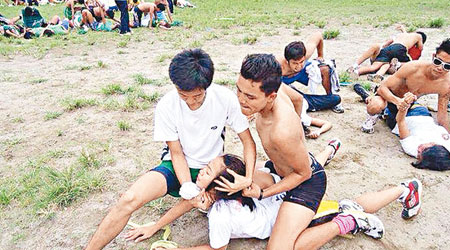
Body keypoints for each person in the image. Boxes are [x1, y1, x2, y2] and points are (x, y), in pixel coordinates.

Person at [85, 49, 256, 249]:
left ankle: (160, 222)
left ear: (207, 86)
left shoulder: (224, 99)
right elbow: (176, 153)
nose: (191, 102)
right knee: (128, 200)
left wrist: (248, 178)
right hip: (177, 164)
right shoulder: (167, 105)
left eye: (197, 96)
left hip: (211, 171)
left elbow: (248, 142)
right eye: (184, 95)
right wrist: (187, 186)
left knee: (217, 195)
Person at [126, 154, 422, 250]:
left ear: (219, 188)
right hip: (288, 198)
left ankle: (348, 223)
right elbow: (186, 203)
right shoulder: (243, 183)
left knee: (287, 247)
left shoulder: (220, 214)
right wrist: (156, 225)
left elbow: (218, 248)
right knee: (344, 202)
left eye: (205, 171)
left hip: (288, 212)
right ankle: (403, 188)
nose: (200, 170)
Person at [216, 53, 331, 250]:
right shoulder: (277, 87)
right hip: (279, 168)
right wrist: (299, 132)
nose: (241, 100)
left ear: (271, 97)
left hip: (306, 182)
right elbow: (298, 99)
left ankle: (348, 219)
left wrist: (263, 194)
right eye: (239, 91)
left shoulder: (281, 132)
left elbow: (304, 174)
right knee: (223, 176)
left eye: (250, 97)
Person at [359, 38, 450, 134]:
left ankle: (384, 112)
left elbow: (442, 115)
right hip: (387, 96)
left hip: (407, 105)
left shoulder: (446, 84)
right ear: (433, 57)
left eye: (447, 66)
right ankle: (373, 115)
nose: (440, 68)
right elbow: (382, 87)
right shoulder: (413, 67)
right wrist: (397, 101)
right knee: (375, 106)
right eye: (437, 62)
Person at [277, 32, 343, 113]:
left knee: (325, 68)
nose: (298, 66)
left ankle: (330, 96)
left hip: (302, 74)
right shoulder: (278, 66)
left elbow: (317, 35)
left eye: (301, 62)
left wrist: (320, 55)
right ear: (287, 61)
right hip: (283, 80)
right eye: (295, 63)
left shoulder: (306, 52)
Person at [392, 93, 450, 171]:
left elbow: (400, 121)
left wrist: (404, 106)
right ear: (434, 144)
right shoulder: (446, 148)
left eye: (418, 155)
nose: (418, 151)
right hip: (423, 113)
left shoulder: (411, 148)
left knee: (392, 94)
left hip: (403, 116)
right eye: (423, 150)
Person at [348, 28, 427, 82]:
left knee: (375, 67)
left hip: (388, 49)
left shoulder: (402, 35)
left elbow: (386, 44)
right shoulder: (419, 36)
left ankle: (357, 71)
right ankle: (398, 64)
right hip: (400, 49)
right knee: (411, 64)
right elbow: (420, 47)